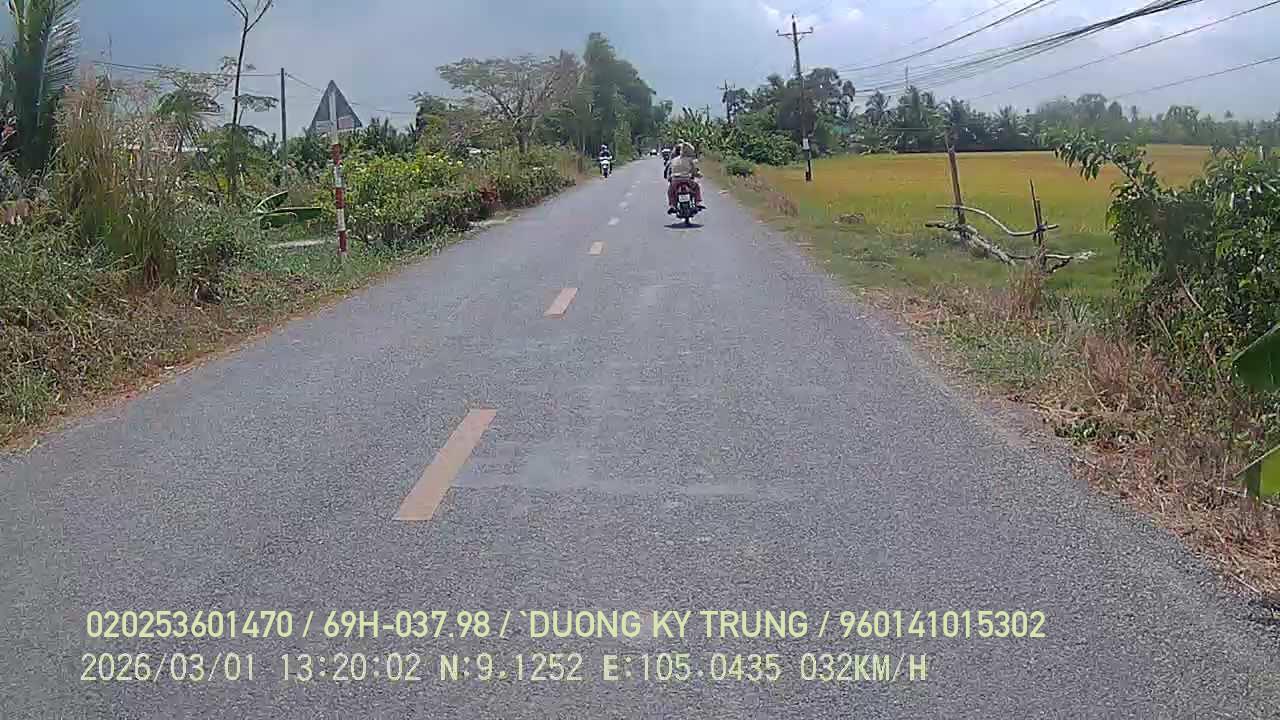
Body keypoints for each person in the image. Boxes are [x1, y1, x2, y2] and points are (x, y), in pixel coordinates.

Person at [666, 141, 704, 213]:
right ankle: (697, 202)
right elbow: (694, 171)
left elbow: (670, 172)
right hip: (687, 179)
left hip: (675, 180)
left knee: (670, 192)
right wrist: (698, 175)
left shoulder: (673, 160)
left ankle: (672, 205)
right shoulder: (689, 160)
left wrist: (670, 177)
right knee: (696, 187)